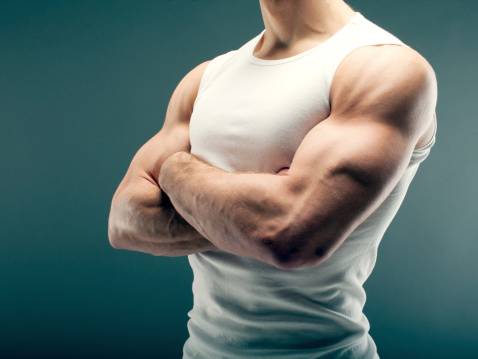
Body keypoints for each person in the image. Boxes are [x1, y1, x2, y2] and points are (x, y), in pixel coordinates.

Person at [108, 0, 437, 357]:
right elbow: (123, 222)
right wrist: (251, 210)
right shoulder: (207, 77)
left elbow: (289, 234)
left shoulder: (384, 68)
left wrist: (175, 171)